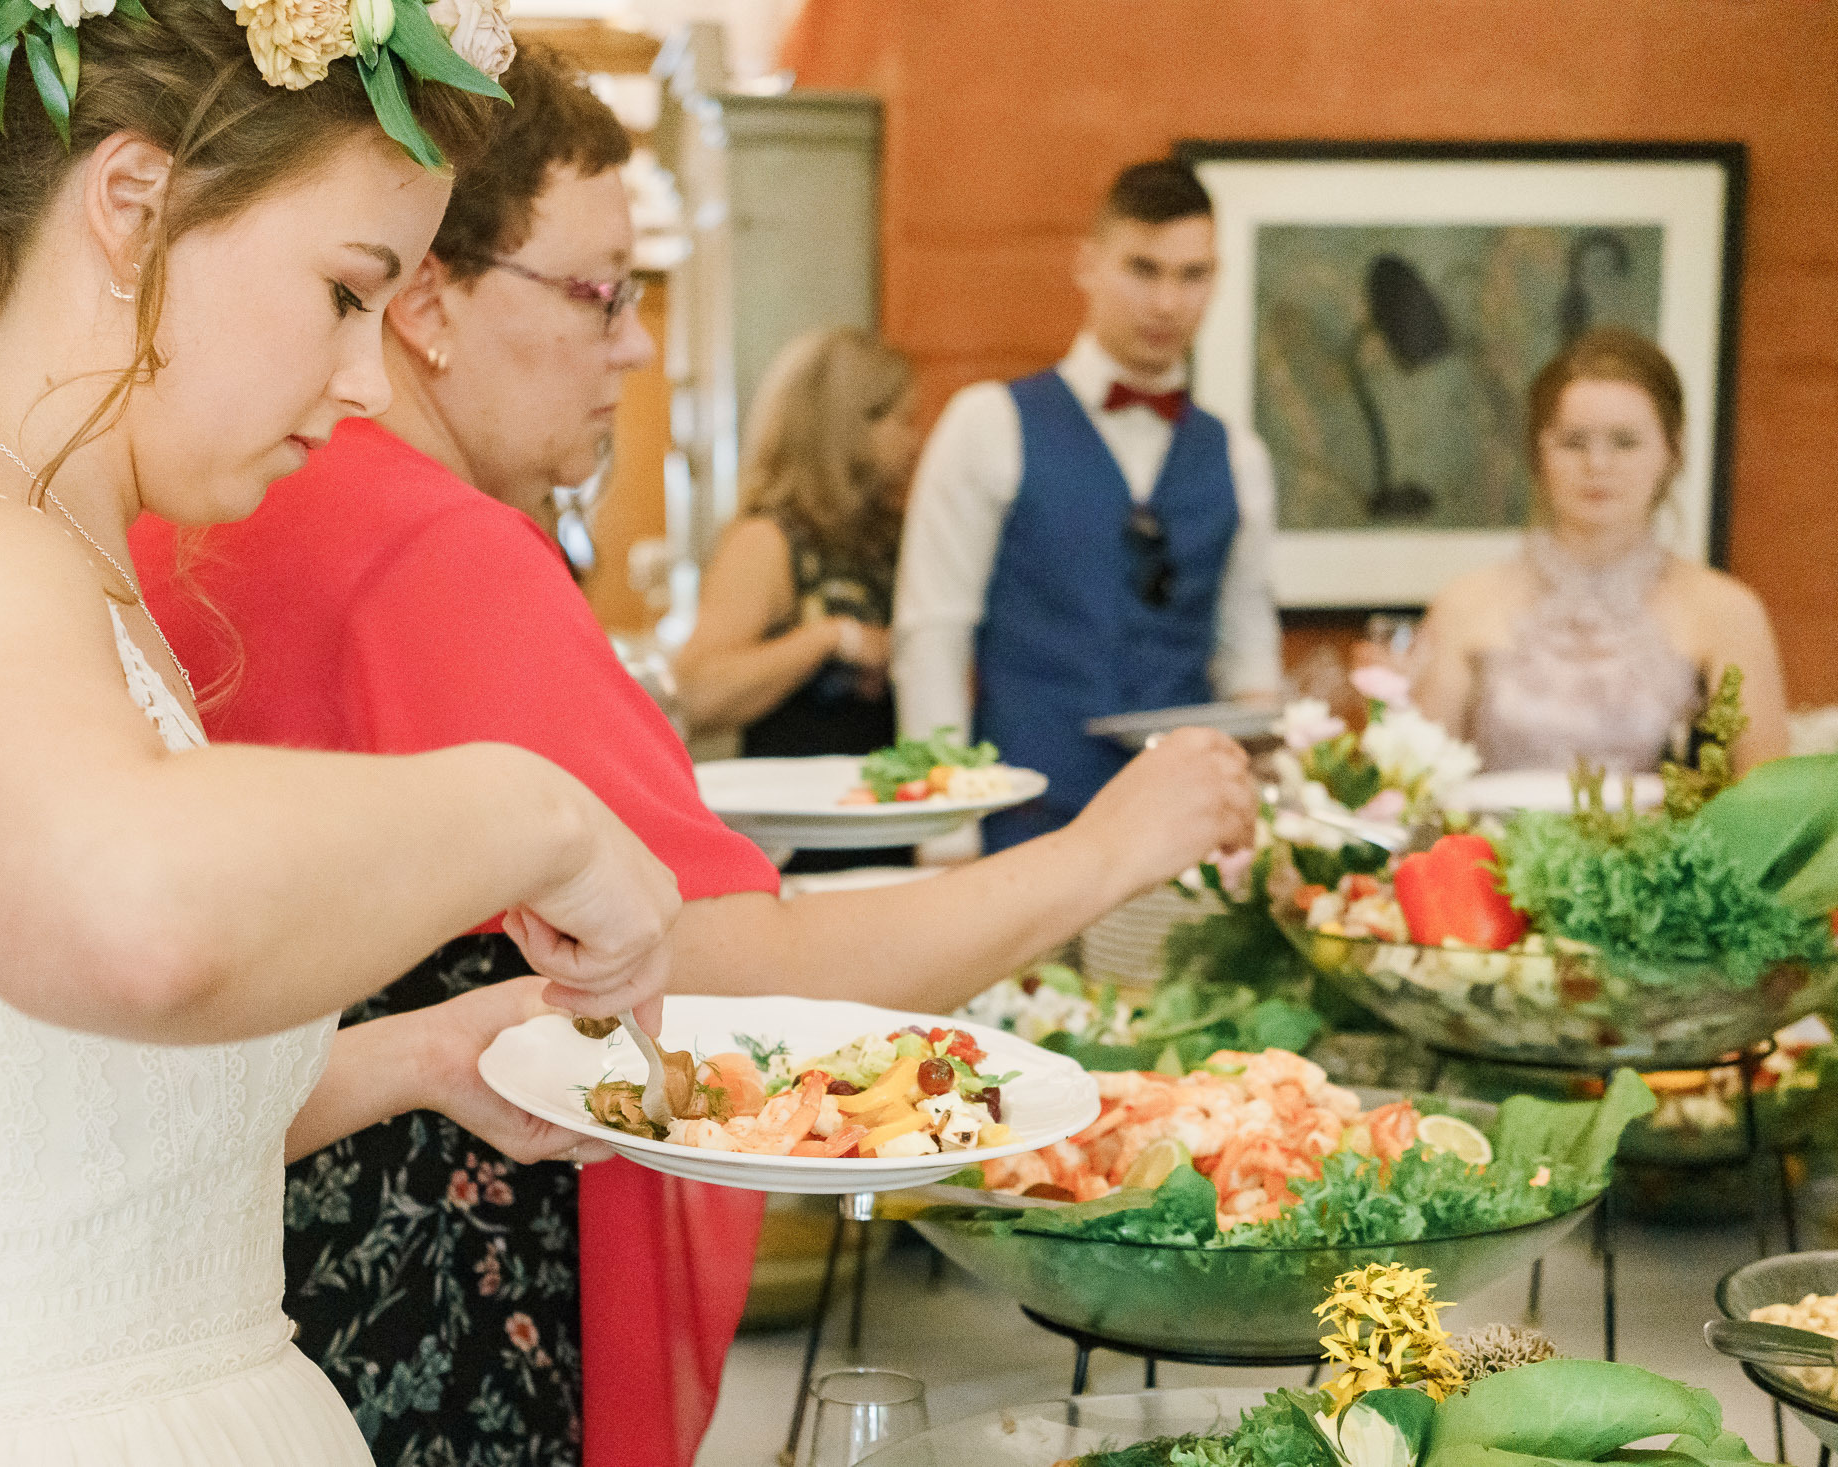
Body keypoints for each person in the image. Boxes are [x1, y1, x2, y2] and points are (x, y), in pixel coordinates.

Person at [134, 47, 1256, 1467]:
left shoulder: (250, 500)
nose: (638, 345)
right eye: (601, 290)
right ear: (429, 298)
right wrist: (1105, 852)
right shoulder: (431, 543)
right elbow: (719, 959)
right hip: (428, 1272)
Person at [0, 4, 684, 1464]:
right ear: (136, 210)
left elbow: (42, 1152)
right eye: (350, 291)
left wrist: (413, 1057)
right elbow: (131, 920)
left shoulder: (43, 558)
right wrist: (536, 807)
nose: (362, 380)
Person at [893, 160, 1282, 853]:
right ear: (1088, 265)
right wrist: (945, 837)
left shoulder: (1240, 456)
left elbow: (1248, 660)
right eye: (1144, 269)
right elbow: (932, 639)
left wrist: (1259, 826)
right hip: (1023, 825)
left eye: (1193, 275)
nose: (1168, 303)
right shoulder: (988, 424)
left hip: (1181, 839)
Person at [1413, 327, 1788, 772]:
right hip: (1489, 841)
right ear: (1538, 453)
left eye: (1625, 442)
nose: (1598, 466)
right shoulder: (1462, 604)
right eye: (1573, 442)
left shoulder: (1728, 612)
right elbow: (1417, 800)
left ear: (1672, 450)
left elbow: (1769, 805)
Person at [673, 326, 917, 870]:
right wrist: (832, 638)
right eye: (901, 419)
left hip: (891, 823)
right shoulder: (768, 540)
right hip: (803, 837)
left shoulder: (893, 535)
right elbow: (697, 692)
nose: (913, 439)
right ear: (850, 428)